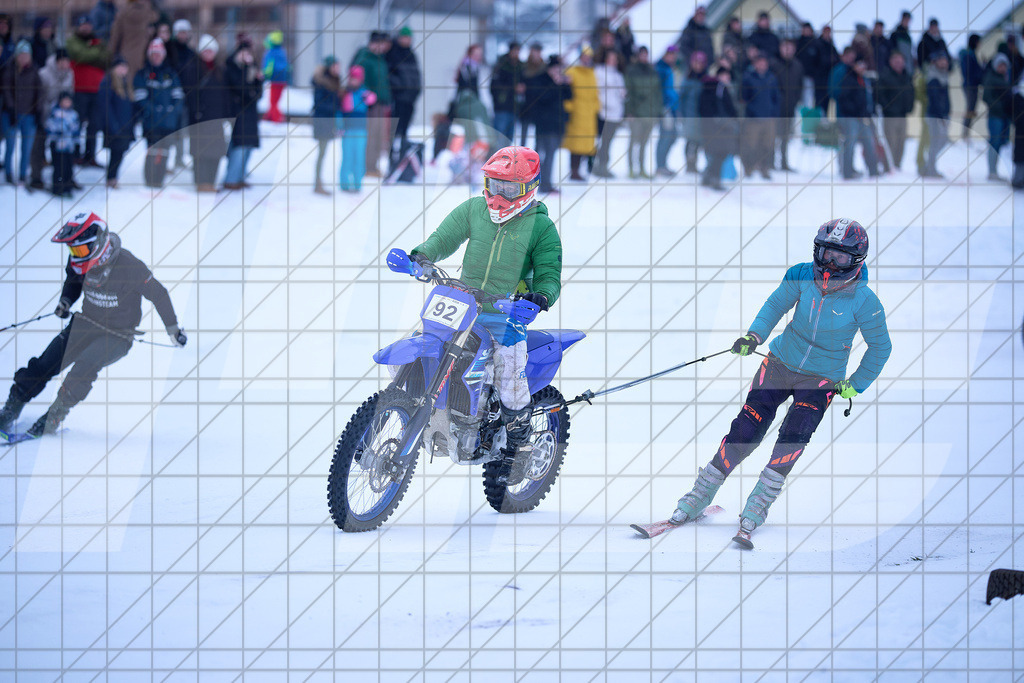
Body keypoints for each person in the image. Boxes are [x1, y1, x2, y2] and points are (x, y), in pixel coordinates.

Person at [669, 218, 891, 546]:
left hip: (821, 380)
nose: (830, 263)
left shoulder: (865, 301)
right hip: (779, 363)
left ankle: (757, 507)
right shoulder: (801, 274)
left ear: (856, 260)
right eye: (826, 253)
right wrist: (754, 336)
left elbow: (881, 347)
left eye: (840, 257)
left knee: (792, 438)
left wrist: (856, 384)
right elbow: (775, 305)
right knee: (745, 430)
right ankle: (699, 496)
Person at [407, 146, 562, 487]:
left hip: (506, 313)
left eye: (509, 187)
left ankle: (520, 448)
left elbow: (550, 273)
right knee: (417, 345)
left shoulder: (541, 227)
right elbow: (443, 238)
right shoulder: (475, 209)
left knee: (509, 378)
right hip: (461, 303)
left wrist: (539, 297)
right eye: (494, 184)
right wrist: (421, 256)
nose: (499, 195)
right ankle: (394, 415)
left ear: (529, 187)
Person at [0, 212, 187, 438]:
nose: (75, 256)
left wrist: (173, 330)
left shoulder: (130, 266)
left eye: (79, 250)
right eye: (73, 251)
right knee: (46, 362)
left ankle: (53, 417)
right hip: (85, 323)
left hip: (118, 335)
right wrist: (66, 301)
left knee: (84, 367)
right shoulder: (79, 262)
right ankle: (11, 409)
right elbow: (73, 281)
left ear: (99, 243)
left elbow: (159, 294)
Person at [133, 38, 183, 188]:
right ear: (150, 55)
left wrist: (172, 111)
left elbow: (178, 96)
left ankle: (159, 180)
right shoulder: (143, 73)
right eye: (154, 54)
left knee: (165, 151)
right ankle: (150, 180)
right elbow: (140, 97)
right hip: (151, 121)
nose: (156, 57)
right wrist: (153, 110)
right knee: (152, 150)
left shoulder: (170, 73)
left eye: (159, 54)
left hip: (168, 122)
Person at [521, 55, 571, 194]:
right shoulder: (541, 80)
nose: (558, 71)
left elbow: (569, 96)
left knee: (550, 154)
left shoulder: (560, 81)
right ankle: (542, 185)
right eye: (556, 68)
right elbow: (542, 98)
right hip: (544, 125)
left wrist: (565, 83)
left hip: (557, 124)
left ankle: (542, 183)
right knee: (543, 155)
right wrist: (555, 84)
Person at [67, 15, 109, 169]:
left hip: (96, 90)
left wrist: (90, 54)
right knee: (77, 124)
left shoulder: (98, 41)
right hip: (79, 89)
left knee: (94, 125)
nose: (86, 28)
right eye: (83, 25)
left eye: (88, 25)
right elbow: (80, 56)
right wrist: (93, 53)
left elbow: (106, 59)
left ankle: (90, 156)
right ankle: (75, 155)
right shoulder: (72, 41)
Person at [186, 34, 227, 193]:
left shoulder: (220, 70)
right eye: (205, 50)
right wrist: (196, 111)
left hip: (216, 118)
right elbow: (189, 94)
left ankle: (210, 182)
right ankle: (200, 183)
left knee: (215, 152)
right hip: (199, 119)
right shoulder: (193, 69)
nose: (208, 53)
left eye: (211, 50)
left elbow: (225, 94)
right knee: (200, 153)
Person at [30, 49, 74, 191]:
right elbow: (38, 97)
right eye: (62, 61)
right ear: (57, 61)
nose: (65, 64)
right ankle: (36, 178)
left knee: (62, 151)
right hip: (44, 114)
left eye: (67, 61)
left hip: (62, 119)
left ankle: (64, 179)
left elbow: (70, 94)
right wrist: (44, 114)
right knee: (38, 147)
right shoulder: (44, 74)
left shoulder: (69, 74)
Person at [223, 36, 262, 190]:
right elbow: (242, 89)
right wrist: (251, 83)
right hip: (237, 112)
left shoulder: (251, 69)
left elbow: (257, 93)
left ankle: (239, 177)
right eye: (243, 53)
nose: (246, 56)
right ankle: (231, 179)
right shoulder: (232, 68)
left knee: (248, 145)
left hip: (250, 113)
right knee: (239, 145)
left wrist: (256, 80)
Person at [2, 41, 43, 186]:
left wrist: (38, 111)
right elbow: (6, 91)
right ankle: (8, 173)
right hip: (10, 114)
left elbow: (39, 93)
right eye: (22, 55)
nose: (24, 58)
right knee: (10, 145)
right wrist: (11, 109)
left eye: (27, 55)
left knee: (26, 147)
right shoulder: (9, 70)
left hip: (29, 114)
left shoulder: (34, 71)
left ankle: (22, 175)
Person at [353, 32, 391, 177]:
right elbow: (359, 81)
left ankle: (373, 166)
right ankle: (367, 167)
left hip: (381, 103)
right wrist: (367, 95)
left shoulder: (380, 60)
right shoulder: (365, 59)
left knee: (378, 136)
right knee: (370, 136)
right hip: (370, 105)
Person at [94, 56, 135, 188]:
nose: (123, 69)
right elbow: (105, 106)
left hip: (125, 125)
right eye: (120, 66)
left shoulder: (126, 83)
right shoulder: (108, 82)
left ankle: (113, 177)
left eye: (125, 67)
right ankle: (111, 178)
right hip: (115, 126)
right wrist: (113, 125)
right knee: (115, 153)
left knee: (120, 153)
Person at [836, 59, 879, 180]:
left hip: (864, 117)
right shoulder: (848, 79)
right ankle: (847, 172)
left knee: (869, 143)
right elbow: (844, 99)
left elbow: (868, 99)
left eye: (863, 65)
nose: (862, 67)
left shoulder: (865, 80)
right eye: (859, 65)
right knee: (850, 144)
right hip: (851, 117)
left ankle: (873, 171)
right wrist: (855, 111)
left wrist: (869, 111)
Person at [740, 51, 780, 180]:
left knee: (767, 145)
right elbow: (744, 99)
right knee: (751, 144)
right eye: (759, 62)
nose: (762, 65)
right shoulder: (748, 78)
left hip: (769, 118)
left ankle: (764, 168)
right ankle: (749, 167)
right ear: (755, 64)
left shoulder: (771, 78)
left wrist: (774, 113)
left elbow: (776, 98)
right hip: (753, 119)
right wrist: (751, 112)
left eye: (764, 63)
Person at [563, 46, 599, 181]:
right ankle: (574, 171)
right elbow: (566, 91)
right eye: (584, 56)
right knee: (575, 145)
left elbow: (595, 93)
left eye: (588, 56)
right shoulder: (572, 71)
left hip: (589, 114)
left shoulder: (592, 73)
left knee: (587, 145)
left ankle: (580, 170)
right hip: (576, 113)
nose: (586, 59)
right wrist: (569, 107)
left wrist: (596, 107)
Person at [699, 65, 738, 190]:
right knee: (719, 152)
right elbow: (709, 107)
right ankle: (714, 178)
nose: (727, 77)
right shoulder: (715, 87)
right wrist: (717, 120)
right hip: (716, 126)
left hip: (720, 126)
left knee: (719, 152)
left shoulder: (721, 87)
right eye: (724, 75)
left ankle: (708, 177)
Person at [625, 46, 661, 179]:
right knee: (633, 141)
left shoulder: (653, 72)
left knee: (644, 143)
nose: (644, 57)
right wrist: (629, 111)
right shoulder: (631, 71)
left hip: (650, 114)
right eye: (642, 54)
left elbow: (657, 93)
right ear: (638, 56)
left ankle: (641, 168)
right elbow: (628, 93)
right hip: (636, 113)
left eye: (646, 54)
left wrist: (658, 111)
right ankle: (631, 169)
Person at [339, 64, 376, 192]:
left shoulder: (363, 92)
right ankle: (344, 184)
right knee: (347, 157)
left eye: (356, 79)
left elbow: (372, 99)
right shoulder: (345, 93)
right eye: (352, 78)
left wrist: (367, 96)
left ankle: (357, 183)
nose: (354, 81)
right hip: (348, 130)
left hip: (361, 130)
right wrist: (339, 126)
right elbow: (340, 112)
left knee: (359, 157)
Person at [876, 51, 914, 170]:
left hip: (903, 114)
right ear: (890, 62)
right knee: (890, 143)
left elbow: (911, 93)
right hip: (890, 116)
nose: (898, 63)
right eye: (896, 61)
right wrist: (888, 108)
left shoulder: (907, 76)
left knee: (901, 142)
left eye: (900, 61)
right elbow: (880, 95)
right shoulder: (885, 76)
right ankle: (888, 168)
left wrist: (909, 107)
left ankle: (897, 166)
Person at [386, 26, 421, 153]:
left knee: (404, 130)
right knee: (394, 129)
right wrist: (400, 88)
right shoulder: (393, 53)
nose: (407, 40)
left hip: (410, 98)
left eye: (409, 38)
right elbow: (389, 75)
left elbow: (416, 75)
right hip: (398, 98)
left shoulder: (411, 54)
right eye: (405, 37)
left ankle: (402, 153)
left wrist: (416, 90)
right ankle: (390, 155)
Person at [592, 49, 625, 178]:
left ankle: (603, 166)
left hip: (615, 114)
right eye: (611, 58)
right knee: (600, 141)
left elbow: (621, 93)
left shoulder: (618, 75)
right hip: (603, 113)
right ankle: (596, 166)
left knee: (608, 142)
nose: (613, 61)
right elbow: (598, 92)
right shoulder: (599, 72)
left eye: (615, 58)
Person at [167, 19, 196, 171]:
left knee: (182, 130)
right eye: (180, 32)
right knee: (168, 130)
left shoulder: (191, 54)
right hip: (169, 97)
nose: (183, 35)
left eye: (185, 32)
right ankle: (165, 160)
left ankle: (179, 158)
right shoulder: (169, 51)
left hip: (186, 98)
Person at [311, 55, 341, 195]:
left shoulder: (334, 81)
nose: (338, 69)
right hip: (322, 120)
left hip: (329, 120)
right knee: (321, 153)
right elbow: (319, 103)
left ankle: (318, 182)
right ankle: (317, 183)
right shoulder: (321, 82)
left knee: (323, 153)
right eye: (335, 66)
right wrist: (334, 106)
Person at [773, 38, 803, 171]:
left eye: (790, 48)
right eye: (785, 47)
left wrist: (796, 100)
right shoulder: (774, 64)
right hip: (775, 108)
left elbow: (800, 86)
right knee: (773, 136)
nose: (788, 50)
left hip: (790, 107)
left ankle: (783, 162)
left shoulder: (797, 66)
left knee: (785, 137)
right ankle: (770, 162)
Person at [110, 0, 158, 80]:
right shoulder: (148, 13)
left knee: (127, 81)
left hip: (126, 54)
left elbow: (115, 37)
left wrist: (111, 55)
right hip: (143, 54)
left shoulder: (123, 13)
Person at [983, 54, 1012, 181]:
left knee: (1000, 142)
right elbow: (986, 97)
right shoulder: (990, 77)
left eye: (1004, 65)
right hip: (995, 116)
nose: (1002, 68)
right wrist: (998, 106)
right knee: (994, 142)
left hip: (1005, 116)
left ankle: (995, 170)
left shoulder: (1006, 78)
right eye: (1000, 65)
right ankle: (992, 171)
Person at [46, 91, 80, 196]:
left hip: (69, 146)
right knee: (59, 167)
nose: (66, 103)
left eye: (68, 101)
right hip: (58, 146)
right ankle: (57, 188)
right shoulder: (55, 113)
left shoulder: (74, 114)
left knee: (69, 167)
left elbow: (76, 130)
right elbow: (50, 127)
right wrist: (56, 135)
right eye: (64, 101)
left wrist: (77, 143)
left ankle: (67, 188)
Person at [678, 50, 707, 174]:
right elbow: (681, 99)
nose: (698, 65)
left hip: (702, 117)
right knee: (690, 141)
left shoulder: (705, 80)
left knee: (699, 142)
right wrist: (681, 115)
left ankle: (694, 164)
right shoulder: (687, 80)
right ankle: (689, 165)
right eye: (696, 62)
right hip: (690, 116)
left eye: (701, 63)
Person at [922, 52, 950, 178]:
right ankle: (930, 169)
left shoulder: (944, 75)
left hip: (942, 115)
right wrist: (941, 116)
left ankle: (929, 165)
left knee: (942, 140)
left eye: (945, 60)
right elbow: (934, 99)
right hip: (935, 115)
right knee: (936, 141)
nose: (944, 62)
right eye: (941, 60)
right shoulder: (933, 77)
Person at [653, 45, 680, 176]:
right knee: (666, 136)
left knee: (672, 136)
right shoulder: (660, 69)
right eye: (670, 54)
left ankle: (663, 164)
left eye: (674, 55)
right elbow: (658, 90)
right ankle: (660, 166)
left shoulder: (670, 68)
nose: (672, 57)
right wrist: (664, 106)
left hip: (672, 107)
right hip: (665, 108)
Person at [490, 41, 523, 145]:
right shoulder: (501, 65)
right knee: (499, 138)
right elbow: (495, 87)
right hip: (502, 107)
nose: (516, 53)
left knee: (508, 139)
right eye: (515, 51)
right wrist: (513, 88)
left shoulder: (520, 66)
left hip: (514, 107)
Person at [519, 43, 546, 146]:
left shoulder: (544, 68)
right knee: (523, 134)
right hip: (526, 104)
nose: (535, 54)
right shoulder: (524, 67)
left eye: (537, 51)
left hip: (539, 105)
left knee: (539, 137)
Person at [959, 34, 984, 140]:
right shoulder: (968, 55)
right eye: (978, 42)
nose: (980, 44)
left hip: (972, 85)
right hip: (970, 85)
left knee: (971, 109)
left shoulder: (971, 54)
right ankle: (965, 134)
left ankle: (966, 133)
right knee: (970, 109)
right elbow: (970, 72)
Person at [262, 30, 290, 123]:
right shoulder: (282, 52)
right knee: (274, 101)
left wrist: (264, 75)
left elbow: (268, 67)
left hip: (275, 80)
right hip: (282, 80)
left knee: (273, 101)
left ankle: (276, 119)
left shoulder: (271, 53)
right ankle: (270, 117)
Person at [813, 26, 840, 110]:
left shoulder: (832, 46)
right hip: (819, 78)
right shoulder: (817, 44)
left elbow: (837, 60)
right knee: (819, 101)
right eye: (826, 32)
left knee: (826, 101)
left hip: (829, 78)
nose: (828, 34)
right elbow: (818, 61)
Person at [795, 22, 820, 109]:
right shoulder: (798, 43)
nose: (805, 31)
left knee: (808, 99)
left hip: (810, 76)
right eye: (804, 30)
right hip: (797, 76)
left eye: (807, 30)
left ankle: (807, 114)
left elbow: (819, 61)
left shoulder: (816, 44)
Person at [890, 11, 914, 75]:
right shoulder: (895, 34)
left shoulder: (908, 37)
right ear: (901, 19)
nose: (906, 22)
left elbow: (910, 54)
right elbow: (892, 52)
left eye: (908, 20)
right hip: (897, 69)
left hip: (908, 69)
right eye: (905, 19)